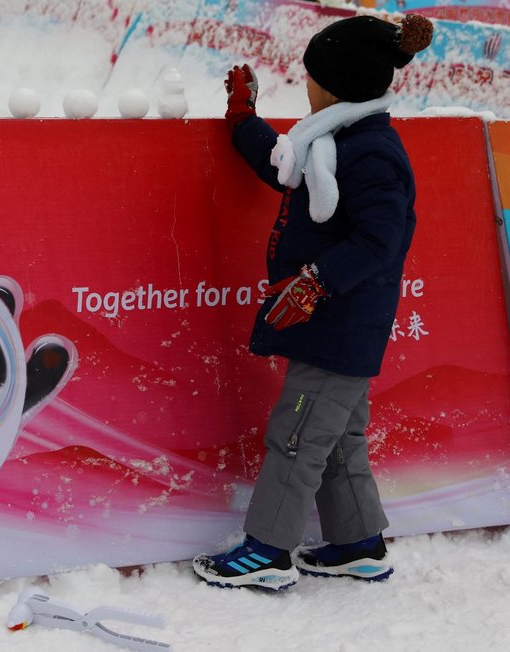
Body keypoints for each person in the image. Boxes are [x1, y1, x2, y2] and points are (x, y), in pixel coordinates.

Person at [192, 13, 434, 591]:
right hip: (334, 326)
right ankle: (357, 544)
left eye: (312, 76)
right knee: (339, 439)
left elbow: (383, 236)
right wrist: (243, 121)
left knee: (296, 438)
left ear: (339, 83)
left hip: (339, 325)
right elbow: (283, 165)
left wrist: (316, 281)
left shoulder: (370, 151)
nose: (305, 85)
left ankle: (267, 552)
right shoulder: (330, 138)